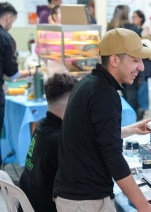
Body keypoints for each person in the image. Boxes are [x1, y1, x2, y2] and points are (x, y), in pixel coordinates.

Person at [52, 28, 151, 212]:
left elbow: (94, 135)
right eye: (135, 60)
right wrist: (144, 207)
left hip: (76, 194)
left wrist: (132, 130)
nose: (142, 67)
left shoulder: (89, 83)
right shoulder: (104, 94)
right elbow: (113, 156)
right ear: (114, 60)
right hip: (84, 201)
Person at [19, 74, 78, 212]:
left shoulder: (42, 126)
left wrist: (131, 129)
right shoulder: (60, 140)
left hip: (28, 203)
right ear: (73, 102)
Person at [0, 2, 36, 167]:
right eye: (13, 21)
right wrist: (31, 72)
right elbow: (13, 74)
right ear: (8, 18)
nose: (11, 25)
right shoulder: (5, 38)